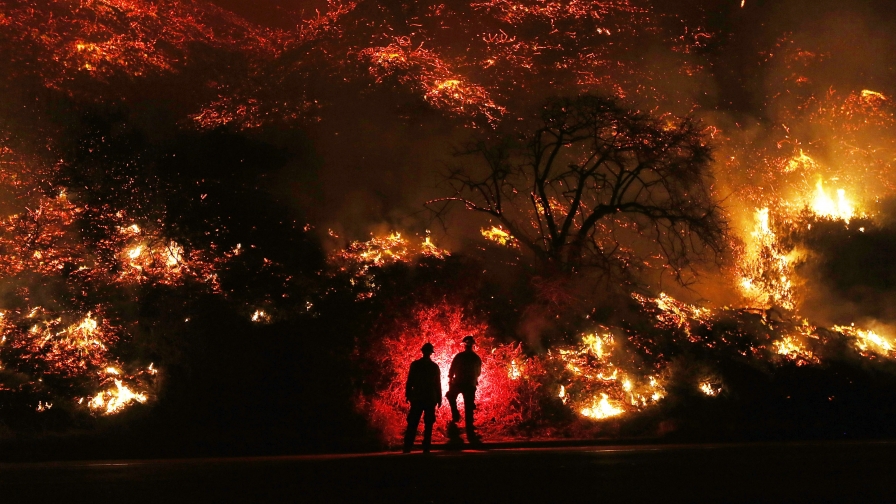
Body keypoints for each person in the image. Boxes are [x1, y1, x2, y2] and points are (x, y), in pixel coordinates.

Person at [403, 342, 442, 453]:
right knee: (428, 423)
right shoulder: (434, 366)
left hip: (418, 397)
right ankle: (426, 447)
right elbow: (437, 384)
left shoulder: (415, 365)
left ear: (423, 351)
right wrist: (439, 399)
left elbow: (410, 381)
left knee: (413, 422)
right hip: (429, 397)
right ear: (431, 353)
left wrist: (408, 394)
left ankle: (408, 446)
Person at [446, 335, 482, 442]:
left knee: (451, 396)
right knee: (468, 408)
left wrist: (451, 381)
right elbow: (478, 373)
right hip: (469, 384)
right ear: (472, 345)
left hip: (460, 383)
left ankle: (456, 416)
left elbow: (451, 371)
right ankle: (470, 432)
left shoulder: (460, 356)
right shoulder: (476, 358)